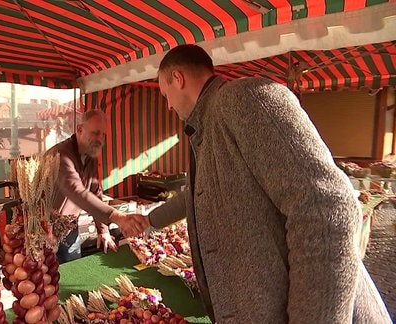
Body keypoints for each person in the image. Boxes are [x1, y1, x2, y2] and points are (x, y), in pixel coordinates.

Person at [125, 44, 392, 323]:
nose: (167, 105)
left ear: (178, 78)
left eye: (165, 95)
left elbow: (326, 207)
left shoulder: (243, 98)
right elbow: (191, 195)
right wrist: (149, 220)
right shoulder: (207, 128)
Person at [46, 109, 144, 263]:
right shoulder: (61, 155)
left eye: (103, 135)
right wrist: (116, 216)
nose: (100, 139)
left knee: (73, 270)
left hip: (69, 229)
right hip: (45, 230)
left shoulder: (89, 156)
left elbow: (95, 192)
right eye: (96, 133)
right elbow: (76, 190)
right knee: (46, 280)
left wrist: (103, 230)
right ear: (79, 129)